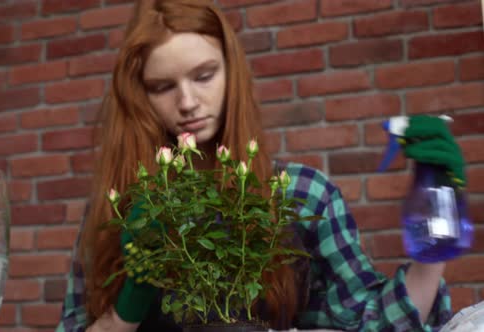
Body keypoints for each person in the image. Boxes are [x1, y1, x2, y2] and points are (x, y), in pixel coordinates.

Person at [55, 0, 467, 331]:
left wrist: (436, 222)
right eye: (162, 87)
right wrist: (129, 305)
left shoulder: (301, 194)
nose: (186, 102)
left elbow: (372, 321)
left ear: (232, 74)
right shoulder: (114, 210)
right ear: (141, 97)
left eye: (204, 75)